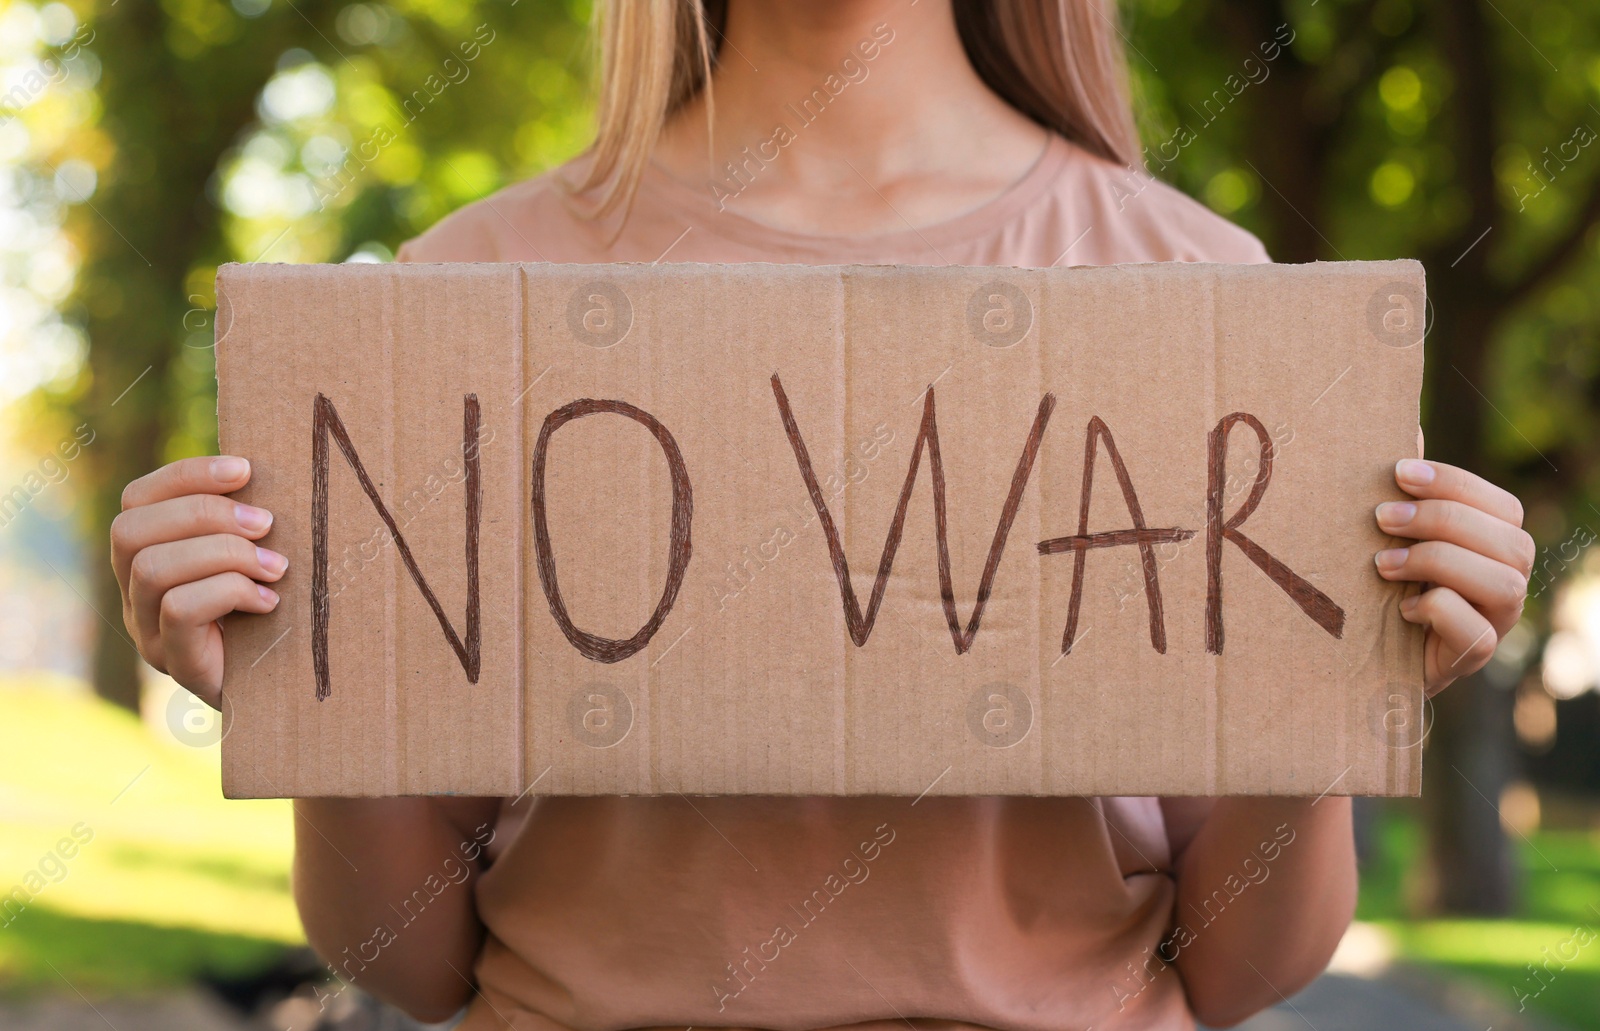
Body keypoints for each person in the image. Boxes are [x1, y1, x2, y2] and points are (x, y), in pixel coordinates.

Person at [110, 2, 1534, 1028]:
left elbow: (1239, 975)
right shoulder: (471, 291)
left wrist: (1337, 688)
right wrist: (309, 688)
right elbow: (408, 964)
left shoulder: (1205, 296)